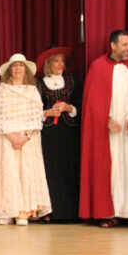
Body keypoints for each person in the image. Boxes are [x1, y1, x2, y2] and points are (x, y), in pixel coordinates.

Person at [79, 30, 128, 227]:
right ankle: (109, 212)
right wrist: (106, 119)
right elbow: (92, 102)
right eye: (125, 45)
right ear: (113, 45)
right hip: (108, 131)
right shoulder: (98, 66)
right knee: (112, 169)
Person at [0, 54, 51, 225]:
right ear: (10, 69)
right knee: (7, 173)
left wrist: (26, 136)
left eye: (21, 65)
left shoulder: (32, 91)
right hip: (6, 137)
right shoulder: (1, 90)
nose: (18, 69)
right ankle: (6, 211)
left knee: (25, 173)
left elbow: (37, 115)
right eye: (15, 66)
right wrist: (11, 136)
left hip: (27, 139)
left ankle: (23, 212)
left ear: (26, 70)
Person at [36, 46, 80, 222]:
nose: (60, 64)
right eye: (56, 61)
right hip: (49, 133)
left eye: (62, 61)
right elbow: (34, 107)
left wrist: (69, 108)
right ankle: (52, 212)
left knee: (69, 168)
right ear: (49, 64)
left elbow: (81, 103)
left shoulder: (72, 80)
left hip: (69, 131)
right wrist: (48, 112)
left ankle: (71, 212)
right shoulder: (40, 83)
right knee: (51, 170)